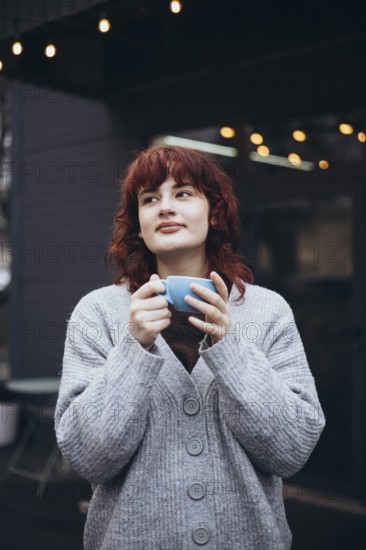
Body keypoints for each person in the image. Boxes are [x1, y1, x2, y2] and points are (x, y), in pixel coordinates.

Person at [55, 145, 325, 550]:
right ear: (138, 224)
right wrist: (134, 349)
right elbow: (90, 458)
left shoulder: (268, 311)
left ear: (214, 212)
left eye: (183, 193)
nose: (165, 207)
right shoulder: (97, 313)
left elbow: (291, 450)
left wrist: (230, 350)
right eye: (150, 199)